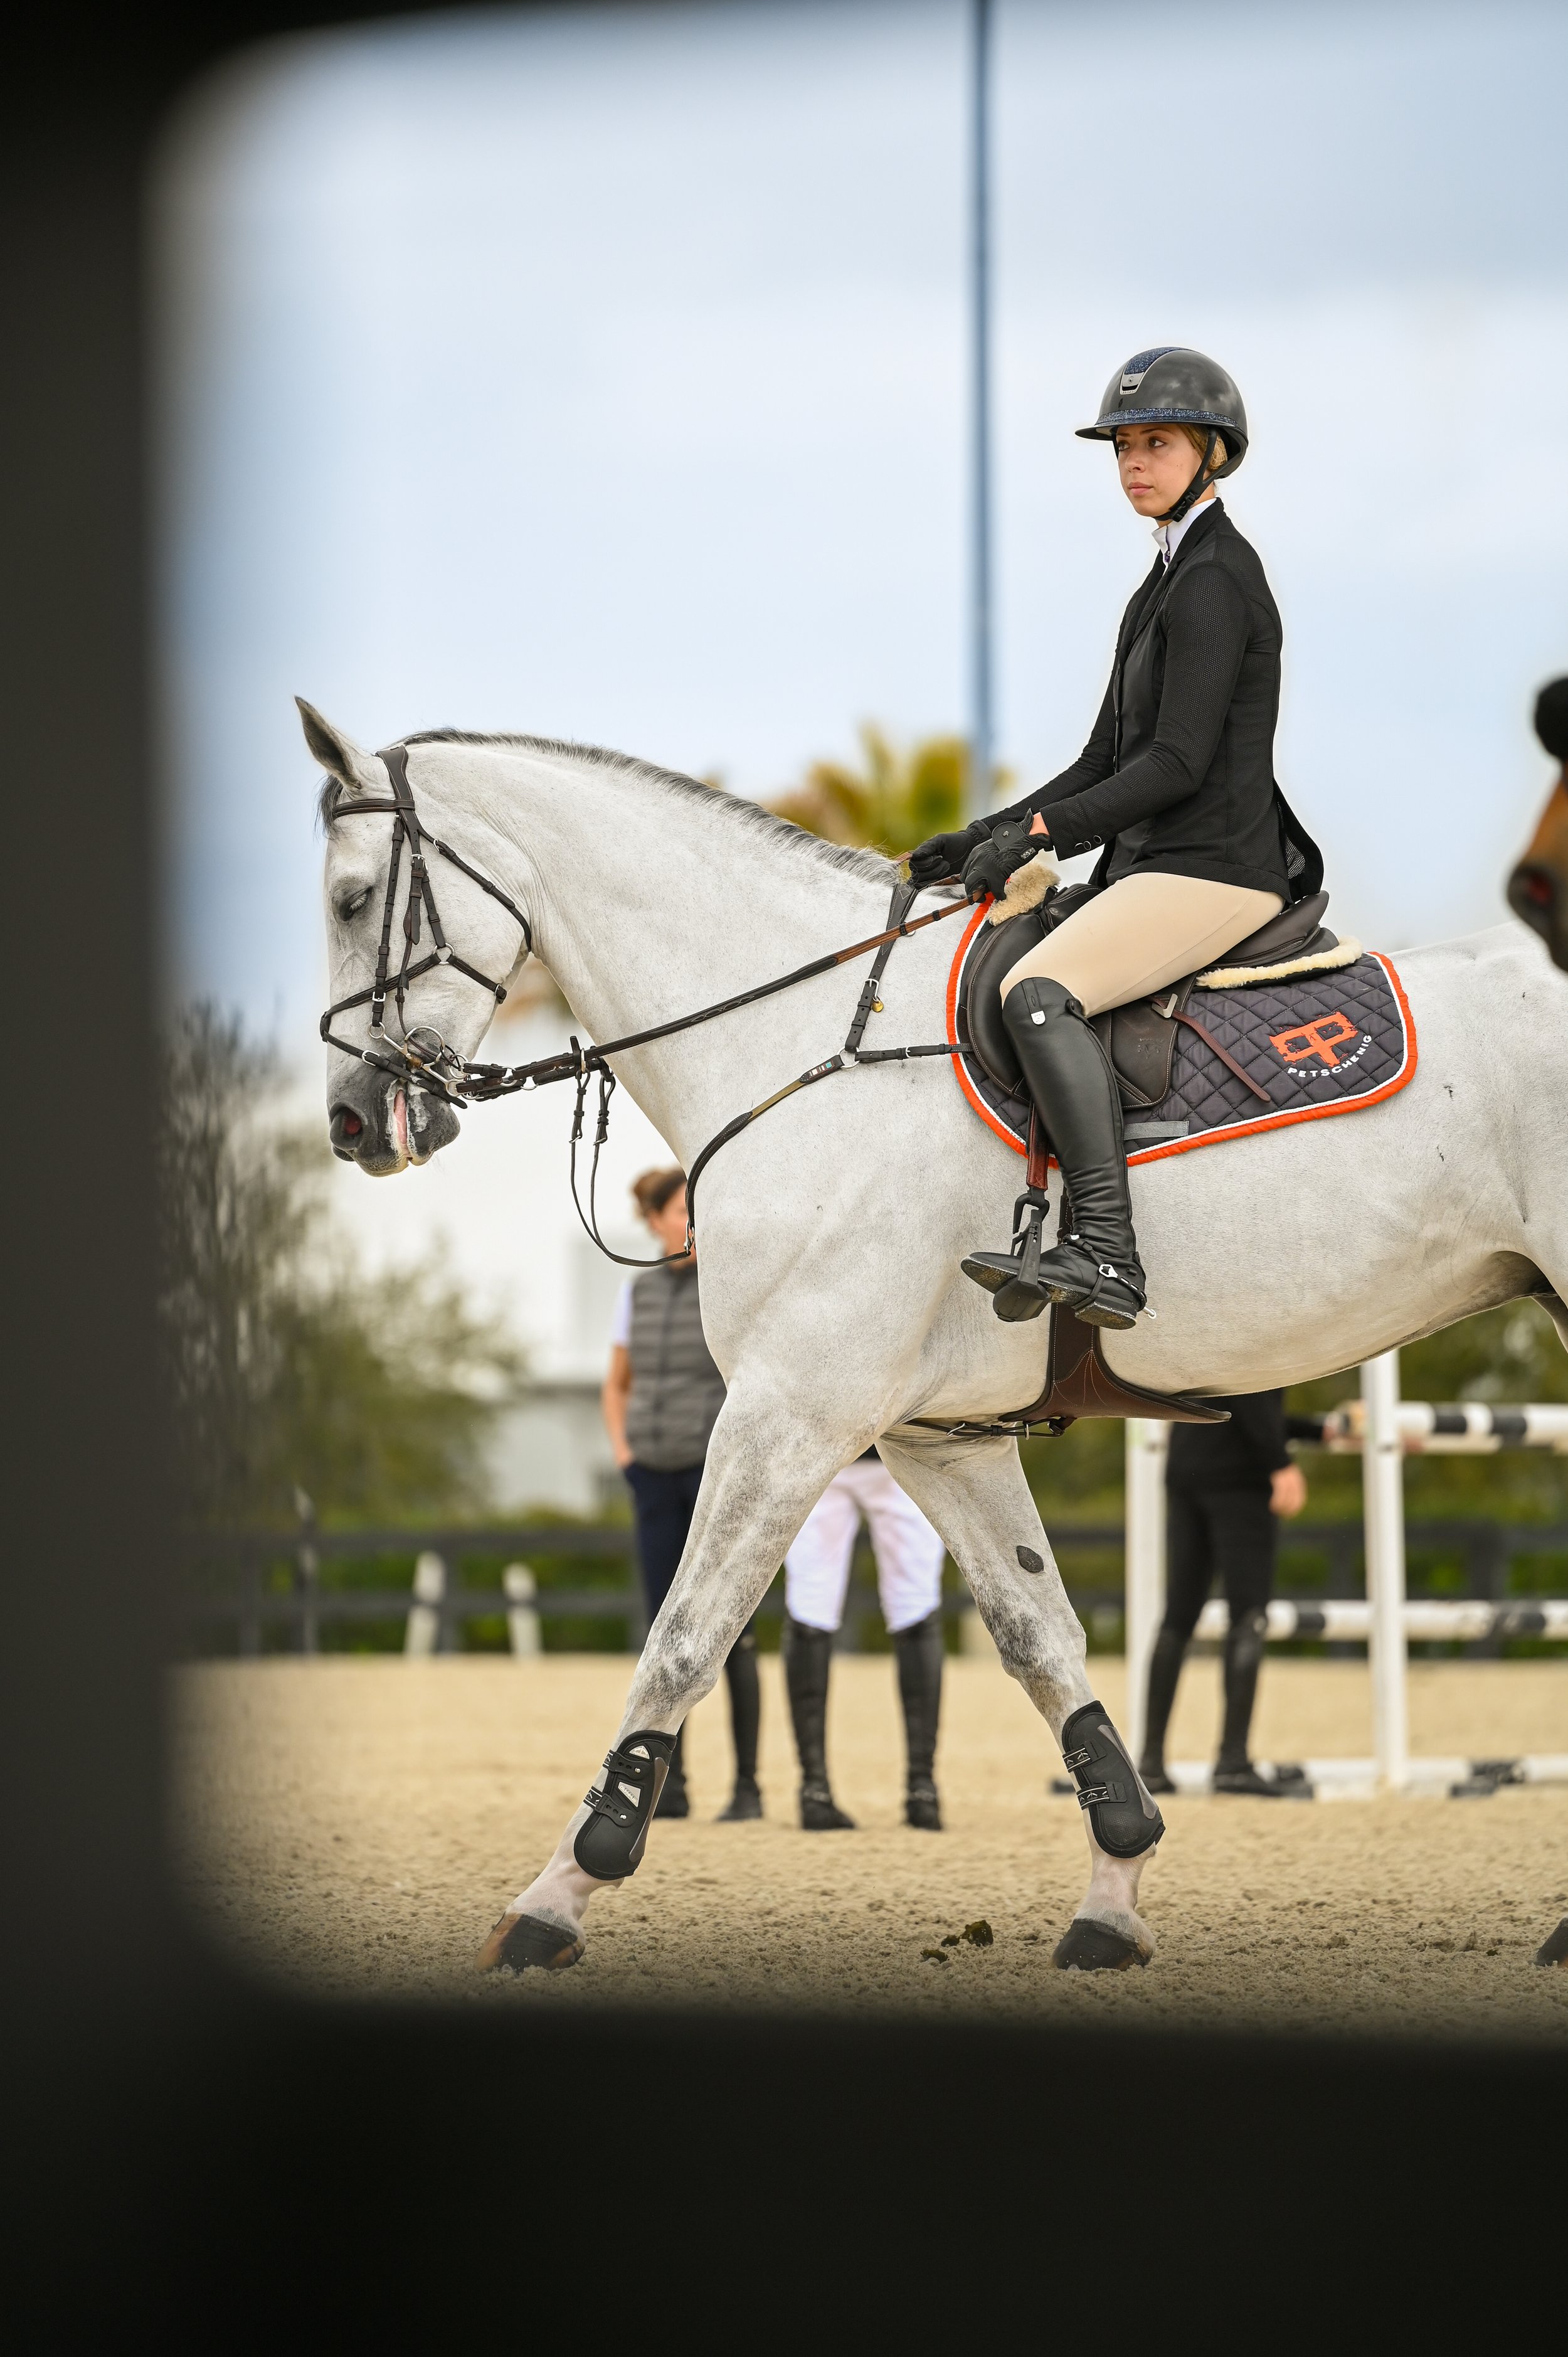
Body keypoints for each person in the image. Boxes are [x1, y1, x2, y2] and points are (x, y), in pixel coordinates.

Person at [909, 348, 1321, 1332]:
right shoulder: (1161, 584)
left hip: (1217, 868)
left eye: (1159, 444)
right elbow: (1105, 754)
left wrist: (1041, 832)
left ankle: (1106, 1250)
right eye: (1125, 446)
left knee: (1038, 994)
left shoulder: (1218, 578)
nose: (1135, 463)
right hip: (1155, 863)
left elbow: (1176, 765)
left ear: (1212, 454)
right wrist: (994, 829)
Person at [601, 1166, 761, 1822]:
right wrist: (625, 1455)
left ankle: (746, 1787)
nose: (692, 1226)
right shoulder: (635, 1292)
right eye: (680, 1213)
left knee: (732, 1631)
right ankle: (675, 1782)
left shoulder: (726, 1286)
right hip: (652, 1474)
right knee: (663, 1630)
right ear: (656, 1220)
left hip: (709, 1474)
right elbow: (616, 1382)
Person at [1138, 1390, 1308, 1797]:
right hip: (1239, 1476)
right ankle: (1232, 1761)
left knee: (1178, 1615)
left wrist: (1321, 1428)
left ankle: (1151, 1762)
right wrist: (1280, 1462)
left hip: (1188, 1464)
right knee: (1248, 1615)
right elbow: (1251, 1395)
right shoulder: (1265, 1328)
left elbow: (1240, 1406)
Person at [781, 1452, 948, 1832]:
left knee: (814, 1609)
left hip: (842, 1446)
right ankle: (922, 1789)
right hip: (887, 1443)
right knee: (912, 1609)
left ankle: (814, 1789)